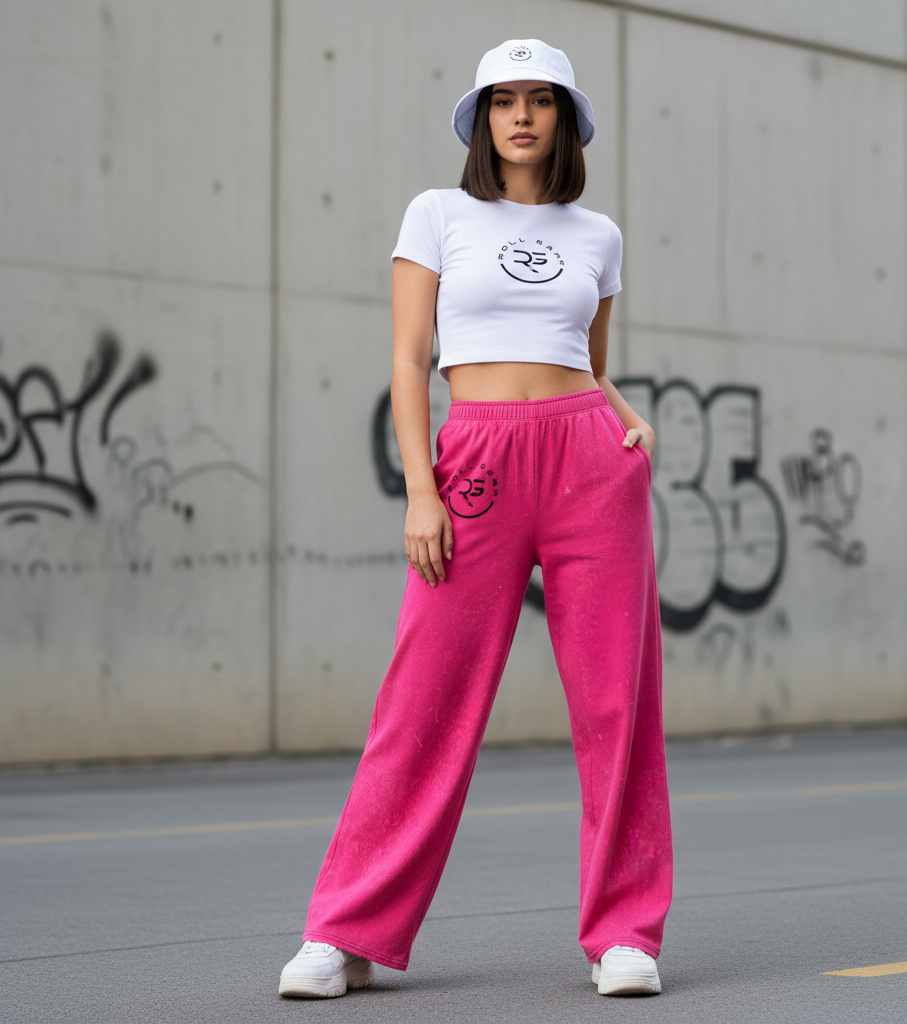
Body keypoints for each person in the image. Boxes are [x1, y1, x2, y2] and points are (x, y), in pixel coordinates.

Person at [279, 38, 672, 1000]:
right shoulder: (438, 214)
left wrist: (628, 423)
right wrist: (421, 489)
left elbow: (591, 358)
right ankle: (343, 932)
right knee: (424, 699)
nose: (523, 117)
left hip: (590, 459)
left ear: (567, 120)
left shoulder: (600, 235)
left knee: (617, 704)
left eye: (542, 100)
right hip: (476, 464)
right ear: (483, 118)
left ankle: (627, 935)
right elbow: (410, 363)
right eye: (506, 101)